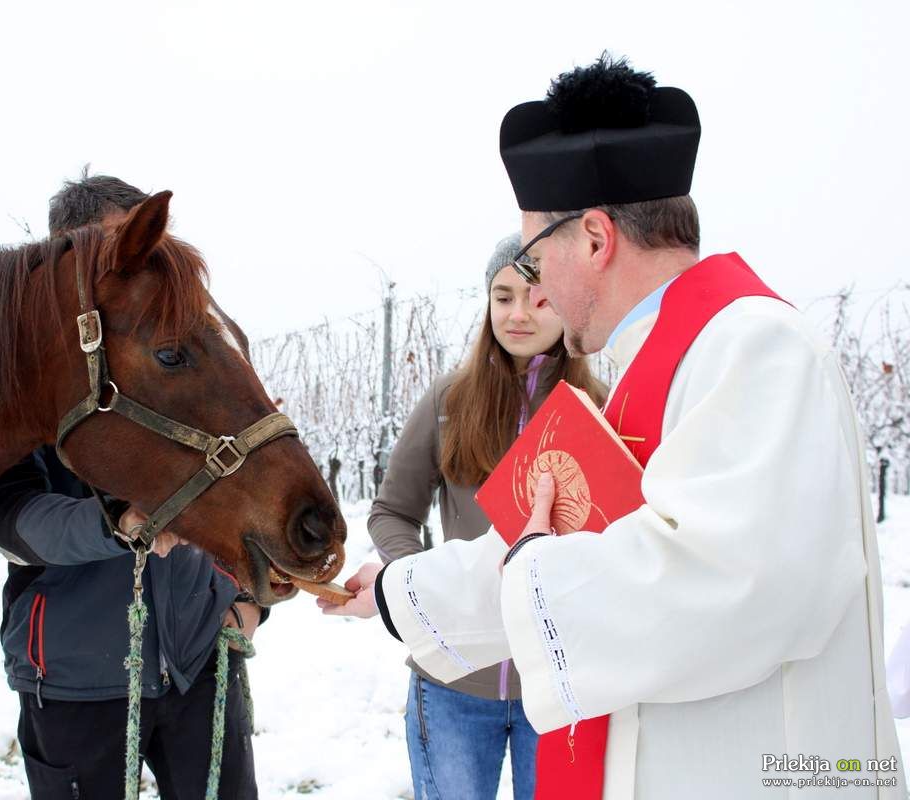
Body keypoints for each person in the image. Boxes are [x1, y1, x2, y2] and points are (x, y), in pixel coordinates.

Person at [326, 55, 903, 799]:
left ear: (596, 240)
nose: (536, 295)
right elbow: (564, 553)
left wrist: (531, 565)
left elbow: (720, 585)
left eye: (537, 259)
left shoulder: (756, 348)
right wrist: (400, 591)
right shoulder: (643, 374)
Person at [0, 171, 262, 800]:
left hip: (198, 662)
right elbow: (8, 520)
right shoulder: (17, 382)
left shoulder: (179, 353)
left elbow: (232, 478)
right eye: (120, 248)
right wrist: (119, 524)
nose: (137, 262)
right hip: (75, 678)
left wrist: (245, 600)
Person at [368, 232, 606, 800]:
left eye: (540, 298)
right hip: (452, 681)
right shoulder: (449, 401)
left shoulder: (596, 406)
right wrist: (420, 588)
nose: (518, 314)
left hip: (557, 686)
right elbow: (392, 512)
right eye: (503, 297)